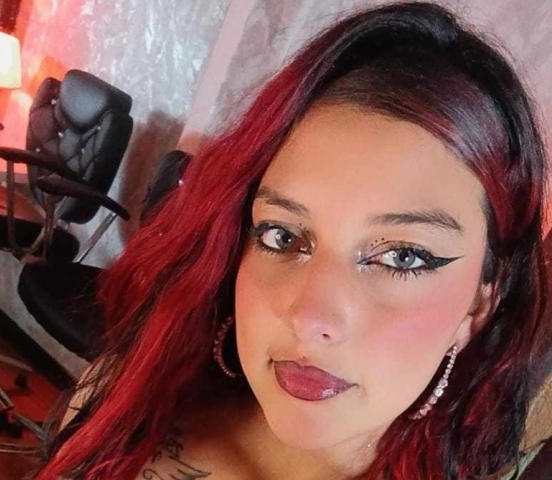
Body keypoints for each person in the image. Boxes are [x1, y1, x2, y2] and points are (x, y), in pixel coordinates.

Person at [34, 2, 552, 479]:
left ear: (478, 305)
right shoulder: (120, 400)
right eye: (282, 236)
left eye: (403, 256)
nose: (310, 317)